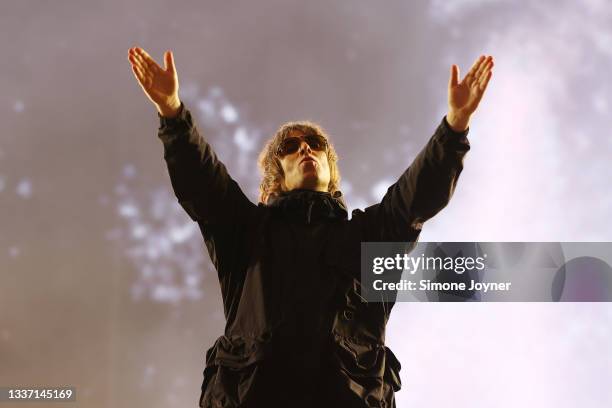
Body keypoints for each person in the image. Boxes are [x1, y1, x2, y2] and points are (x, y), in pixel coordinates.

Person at [127, 47, 493, 408]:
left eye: (315, 144)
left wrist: (455, 127)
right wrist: (172, 114)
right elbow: (204, 184)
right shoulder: (247, 232)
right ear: (275, 179)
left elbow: (415, 197)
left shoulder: (368, 238)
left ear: (331, 170)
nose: (305, 148)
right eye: (291, 146)